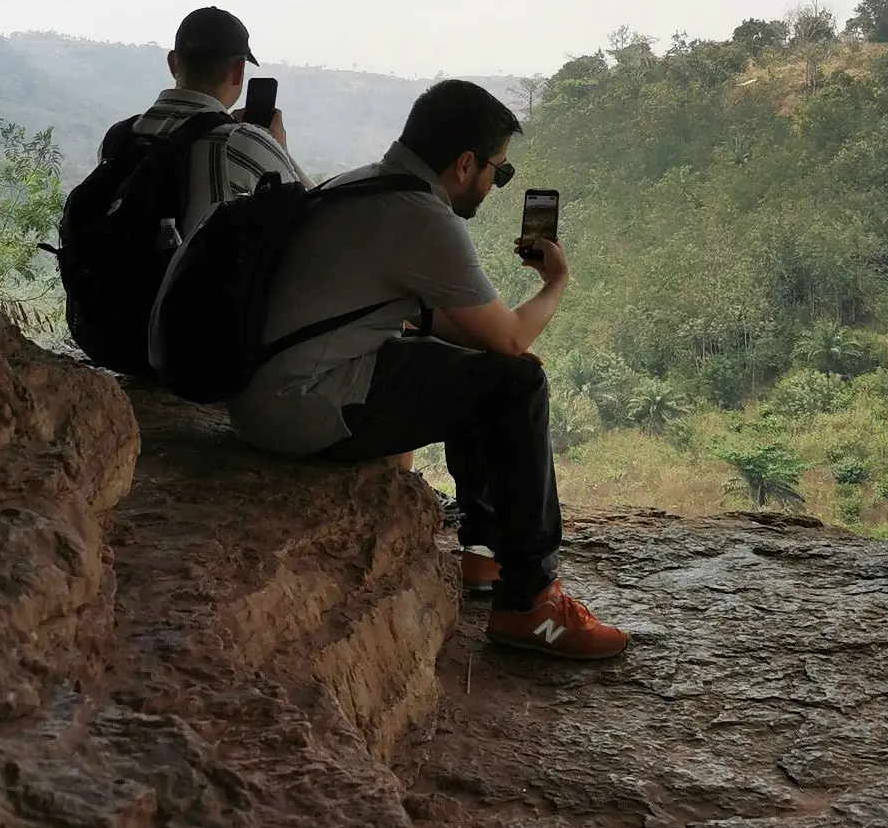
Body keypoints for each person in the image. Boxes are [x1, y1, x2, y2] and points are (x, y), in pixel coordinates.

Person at [227, 79, 627, 661]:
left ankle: (485, 553)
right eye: (499, 171)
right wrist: (556, 281)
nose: (497, 183)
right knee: (518, 384)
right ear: (466, 164)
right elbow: (512, 341)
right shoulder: (419, 216)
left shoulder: (360, 185)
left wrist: (492, 350)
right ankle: (532, 602)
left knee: (483, 371)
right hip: (300, 406)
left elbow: (455, 327)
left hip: (265, 395)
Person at [114, 5, 304, 233]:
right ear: (238, 71)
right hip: (188, 270)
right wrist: (280, 148)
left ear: (174, 64)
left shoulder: (119, 136)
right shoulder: (238, 141)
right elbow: (317, 212)